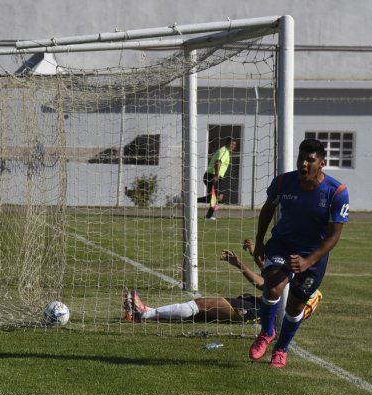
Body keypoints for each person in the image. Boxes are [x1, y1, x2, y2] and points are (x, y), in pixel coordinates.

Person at [249, 138, 349, 368]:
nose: (304, 163)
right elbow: (268, 209)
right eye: (301, 158)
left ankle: (281, 349)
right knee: (273, 285)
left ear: (321, 163)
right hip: (282, 244)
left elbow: (334, 236)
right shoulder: (283, 182)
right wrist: (259, 241)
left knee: (295, 306)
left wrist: (308, 261)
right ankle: (267, 332)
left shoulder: (338, 192)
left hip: (314, 254)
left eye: (310, 160)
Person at [124, 240, 323, 324]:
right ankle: (144, 313)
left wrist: (241, 265)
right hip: (255, 304)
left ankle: (145, 313)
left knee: (203, 305)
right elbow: (270, 278)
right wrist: (253, 256)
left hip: (257, 313)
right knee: (200, 308)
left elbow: (266, 285)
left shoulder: (313, 294)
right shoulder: (296, 271)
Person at [198, 137, 237, 220]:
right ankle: (208, 216)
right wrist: (216, 175)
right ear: (227, 143)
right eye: (231, 144)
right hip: (212, 176)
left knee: (218, 197)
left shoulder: (226, 151)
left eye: (234, 145)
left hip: (216, 176)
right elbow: (218, 162)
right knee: (216, 198)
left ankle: (207, 213)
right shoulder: (224, 151)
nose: (233, 146)